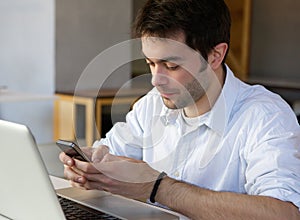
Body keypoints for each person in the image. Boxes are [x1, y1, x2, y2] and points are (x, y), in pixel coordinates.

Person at [60, 0, 300, 219]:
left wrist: (158, 188)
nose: (156, 79)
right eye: (150, 63)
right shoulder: (153, 104)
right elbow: (111, 152)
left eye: (171, 65)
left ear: (215, 55)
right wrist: (90, 168)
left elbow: (284, 213)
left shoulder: (266, 116)